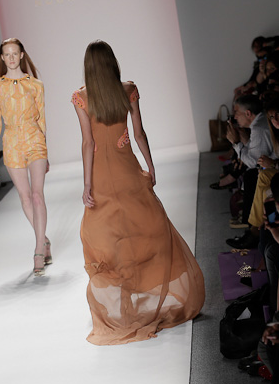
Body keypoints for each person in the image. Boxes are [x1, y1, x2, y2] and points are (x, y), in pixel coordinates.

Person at [71, 40, 205, 345]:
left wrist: (87, 184)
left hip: (102, 176)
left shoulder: (81, 97)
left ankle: (126, 304)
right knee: (144, 227)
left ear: (88, 66)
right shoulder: (128, 89)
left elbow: (88, 143)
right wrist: (150, 165)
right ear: (112, 61)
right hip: (127, 170)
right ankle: (145, 295)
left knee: (108, 237)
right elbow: (139, 132)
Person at [0, 37, 51, 275]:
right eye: (7, 54)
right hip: (12, 142)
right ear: (2, 58)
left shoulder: (35, 85)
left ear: (22, 55)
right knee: (25, 198)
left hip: (35, 139)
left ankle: (38, 250)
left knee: (36, 195)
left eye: (15, 53)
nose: (12, 58)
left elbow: (42, 120)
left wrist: (46, 151)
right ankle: (44, 239)